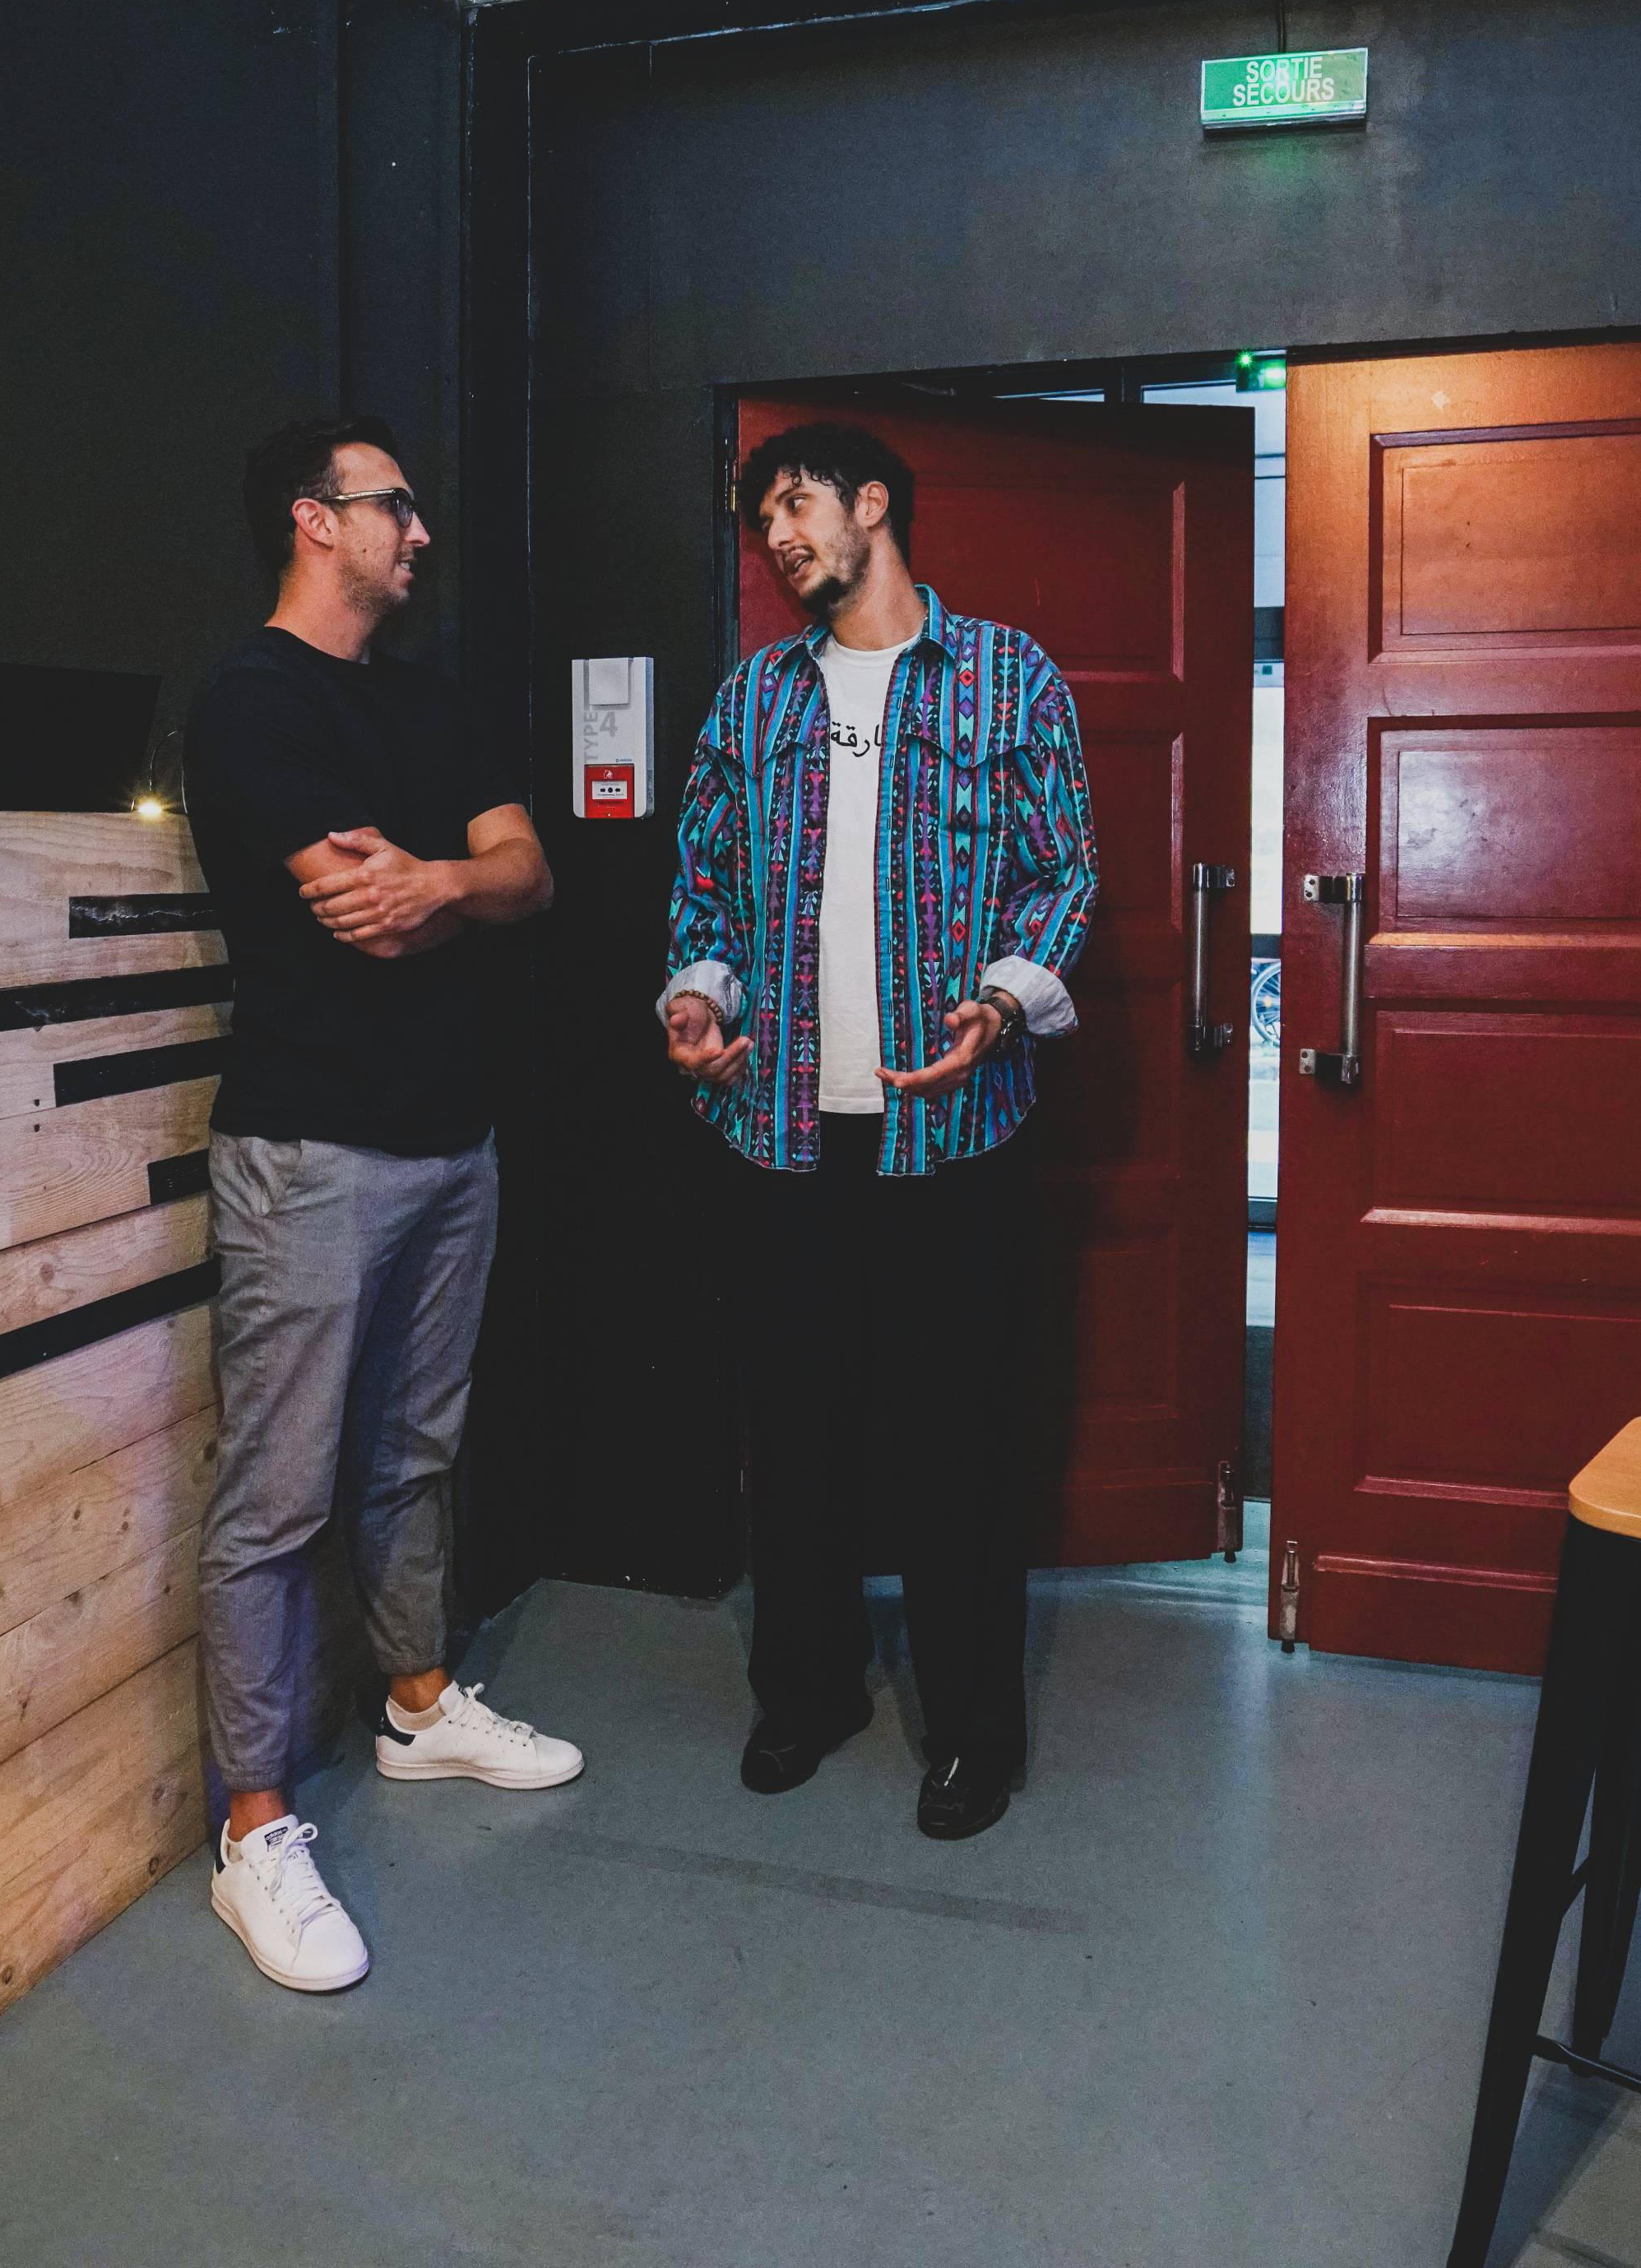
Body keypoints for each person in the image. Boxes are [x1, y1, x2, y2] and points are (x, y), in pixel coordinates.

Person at [180, 414, 579, 1993]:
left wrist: (444, 881)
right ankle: (253, 1826)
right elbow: (357, 909)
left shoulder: (427, 697)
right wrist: (439, 884)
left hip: (451, 1145)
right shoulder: (251, 697)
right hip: (310, 1152)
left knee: (416, 1449)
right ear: (313, 518)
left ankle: (415, 1705)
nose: (419, 532)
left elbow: (526, 872)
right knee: (276, 1498)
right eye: (393, 506)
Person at [660, 420, 1099, 1841]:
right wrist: (696, 996)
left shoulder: (1010, 676)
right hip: (783, 1135)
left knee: (957, 1443)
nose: (778, 537)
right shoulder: (753, 698)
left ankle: (971, 1731)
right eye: (760, 521)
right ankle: (811, 1690)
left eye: (794, 505)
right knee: (794, 1432)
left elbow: (1063, 873)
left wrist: (1003, 999)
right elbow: (706, 888)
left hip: (952, 1136)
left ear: (872, 503)